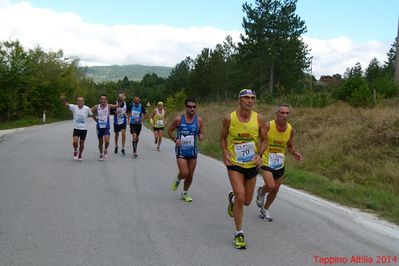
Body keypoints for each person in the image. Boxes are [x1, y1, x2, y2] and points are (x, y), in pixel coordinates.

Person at [220, 89, 267, 249]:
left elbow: (265, 140)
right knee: (242, 197)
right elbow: (222, 138)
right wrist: (225, 151)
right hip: (235, 163)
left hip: (251, 165)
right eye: (246, 97)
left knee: (246, 201)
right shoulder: (229, 118)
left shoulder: (259, 119)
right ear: (239, 100)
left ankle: (233, 199)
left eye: (252, 98)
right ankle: (239, 233)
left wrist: (260, 154)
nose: (250, 100)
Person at [256, 104, 302, 221]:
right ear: (276, 114)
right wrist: (258, 155)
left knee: (276, 189)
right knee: (270, 186)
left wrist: (294, 153)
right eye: (282, 113)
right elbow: (260, 141)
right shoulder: (268, 126)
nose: (285, 115)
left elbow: (290, 145)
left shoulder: (291, 130)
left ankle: (265, 209)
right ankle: (261, 191)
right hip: (266, 160)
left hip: (279, 162)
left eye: (287, 113)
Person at [168, 98, 204, 202]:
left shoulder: (199, 120)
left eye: (194, 107)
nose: (192, 108)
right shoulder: (179, 120)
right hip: (181, 150)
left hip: (193, 151)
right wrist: (175, 140)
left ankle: (184, 193)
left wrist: (201, 136)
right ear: (186, 107)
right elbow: (170, 131)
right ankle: (179, 178)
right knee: (184, 173)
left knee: (190, 174)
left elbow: (201, 133)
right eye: (190, 106)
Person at [61, 95, 93, 161]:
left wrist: (98, 121)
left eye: (81, 100)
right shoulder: (74, 107)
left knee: (81, 144)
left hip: (84, 129)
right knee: (75, 142)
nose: (80, 102)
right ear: (77, 102)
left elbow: (92, 115)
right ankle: (75, 150)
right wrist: (63, 99)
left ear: (84, 102)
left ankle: (80, 154)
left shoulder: (87, 108)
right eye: (78, 100)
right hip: (76, 128)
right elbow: (66, 104)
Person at [91, 94, 118, 161]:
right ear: (100, 100)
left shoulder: (109, 106)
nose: (103, 100)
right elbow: (89, 111)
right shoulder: (97, 106)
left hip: (106, 127)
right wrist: (95, 119)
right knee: (100, 142)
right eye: (102, 99)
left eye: (104, 99)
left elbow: (117, 106)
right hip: (99, 128)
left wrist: (121, 99)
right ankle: (101, 153)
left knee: (107, 141)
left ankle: (105, 149)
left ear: (106, 100)